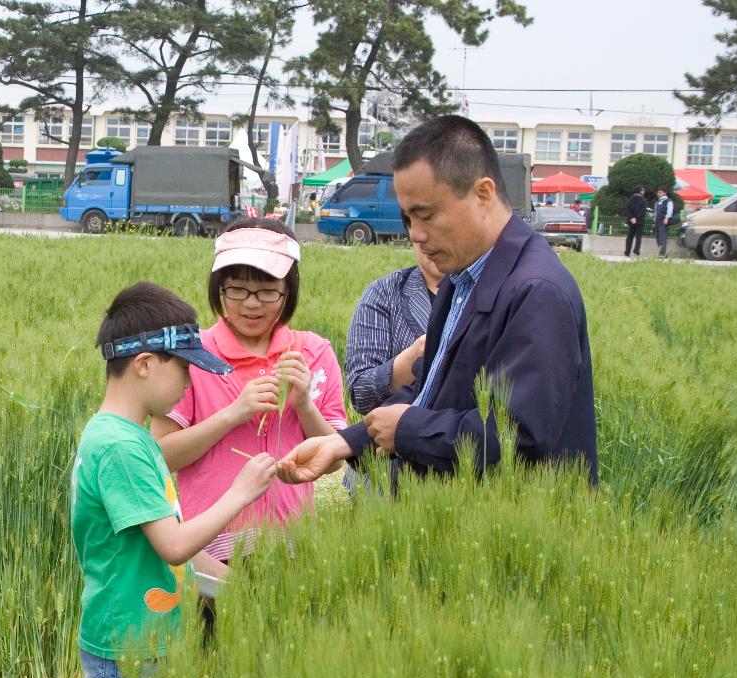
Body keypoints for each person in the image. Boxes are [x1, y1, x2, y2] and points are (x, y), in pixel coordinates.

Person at [278, 114, 597, 488]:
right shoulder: (460, 280)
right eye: (408, 218)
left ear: (483, 194)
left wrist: (409, 430)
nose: (416, 235)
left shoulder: (535, 291)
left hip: (502, 531)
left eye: (425, 215)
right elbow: (431, 390)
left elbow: (518, 438)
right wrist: (344, 443)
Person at [72, 282, 277, 678]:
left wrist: (232, 583)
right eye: (183, 367)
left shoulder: (134, 438)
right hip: (128, 652)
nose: (190, 382)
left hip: (148, 642)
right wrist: (239, 493)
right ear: (144, 364)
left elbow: (164, 542)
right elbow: (173, 545)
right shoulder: (121, 448)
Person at [150, 218, 347, 571]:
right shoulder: (193, 354)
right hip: (206, 552)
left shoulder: (314, 353)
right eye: (237, 289)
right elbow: (160, 455)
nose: (251, 304)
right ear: (219, 288)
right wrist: (234, 413)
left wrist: (303, 404)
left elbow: (334, 459)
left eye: (267, 290)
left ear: (288, 290)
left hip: (293, 551)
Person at [345, 242, 445, 415]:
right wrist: (414, 355)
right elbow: (361, 394)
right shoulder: (384, 293)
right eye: (417, 224)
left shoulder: (491, 289)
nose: (428, 236)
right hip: (400, 439)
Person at [624, 185, 647, 257]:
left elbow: (627, 209)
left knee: (630, 236)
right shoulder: (643, 200)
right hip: (639, 222)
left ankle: (627, 252)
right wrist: (636, 218)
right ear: (640, 191)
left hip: (631, 221)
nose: (644, 191)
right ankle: (636, 251)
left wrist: (631, 218)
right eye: (643, 190)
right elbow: (642, 211)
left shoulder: (630, 199)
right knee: (638, 237)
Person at [653, 188, 675, 258]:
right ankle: (662, 252)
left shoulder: (668, 201)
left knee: (663, 238)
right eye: (658, 193)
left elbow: (670, 210)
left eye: (660, 193)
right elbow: (655, 213)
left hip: (663, 222)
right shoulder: (657, 202)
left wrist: (667, 218)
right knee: (658, 238)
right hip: (657, 222)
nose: (658, 194)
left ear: (664, 193)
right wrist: (654, 221)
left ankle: (662, 254)